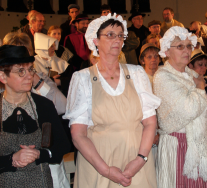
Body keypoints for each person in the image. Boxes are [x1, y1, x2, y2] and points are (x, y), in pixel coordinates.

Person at [63, 13, 161, 188]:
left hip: (136, 160)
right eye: (110, 35)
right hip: (99, 164)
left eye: (120, 35)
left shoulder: (137, 73)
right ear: (95, 40)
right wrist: (106, 170)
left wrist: (140, 159)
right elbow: (78, 135)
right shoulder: (82, 78)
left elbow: (150, 123)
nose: (117, 39)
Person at [153, 26, 207, 188]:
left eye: (188, 46)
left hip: (199, 143)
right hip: (179, 146)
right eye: (180, 46)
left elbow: (206, 114)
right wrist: (199, 88)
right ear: (167, 51)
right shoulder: (162, 76)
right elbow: (188, 109)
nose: (186, 50)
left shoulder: (193, 75)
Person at [0, 45, 70, 187]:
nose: (30, 76)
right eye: (21, 71)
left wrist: (39, 154)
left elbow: (63, 145)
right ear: (2, 76)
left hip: (41, 182)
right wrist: (12, 159)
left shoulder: (43, 106)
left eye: (30, 69)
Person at [0, 32, 67, 115]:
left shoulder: (40, 76)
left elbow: (63, 107)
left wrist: (38, 83)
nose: (22, 58)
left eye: (26, 53)